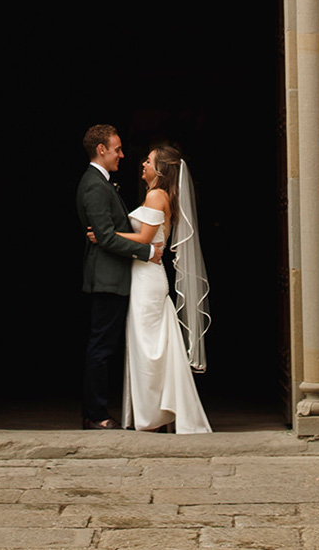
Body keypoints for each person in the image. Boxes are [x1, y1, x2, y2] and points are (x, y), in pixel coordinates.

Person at [109, 142, 212, 434]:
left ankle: (153, 416)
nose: (143, 164)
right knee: (152, 346)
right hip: (146, 275)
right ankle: (159, 412)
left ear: (160, 169)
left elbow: (143, 238)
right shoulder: (158, 195)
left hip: (147, 279)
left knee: (147, 347)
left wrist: (105, 235)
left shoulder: (156, 195)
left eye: (149, 161)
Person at [76, 124, 161, 430]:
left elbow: (108, 234)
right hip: (107, 278)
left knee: (105, 345)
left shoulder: (103, 183)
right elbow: (107, 238)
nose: (122, 155)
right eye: (117, 149)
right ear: (101, 149)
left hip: (115, 277)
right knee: (101, 346)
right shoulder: (94, 186)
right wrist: (148, 251)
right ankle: (95, 415)